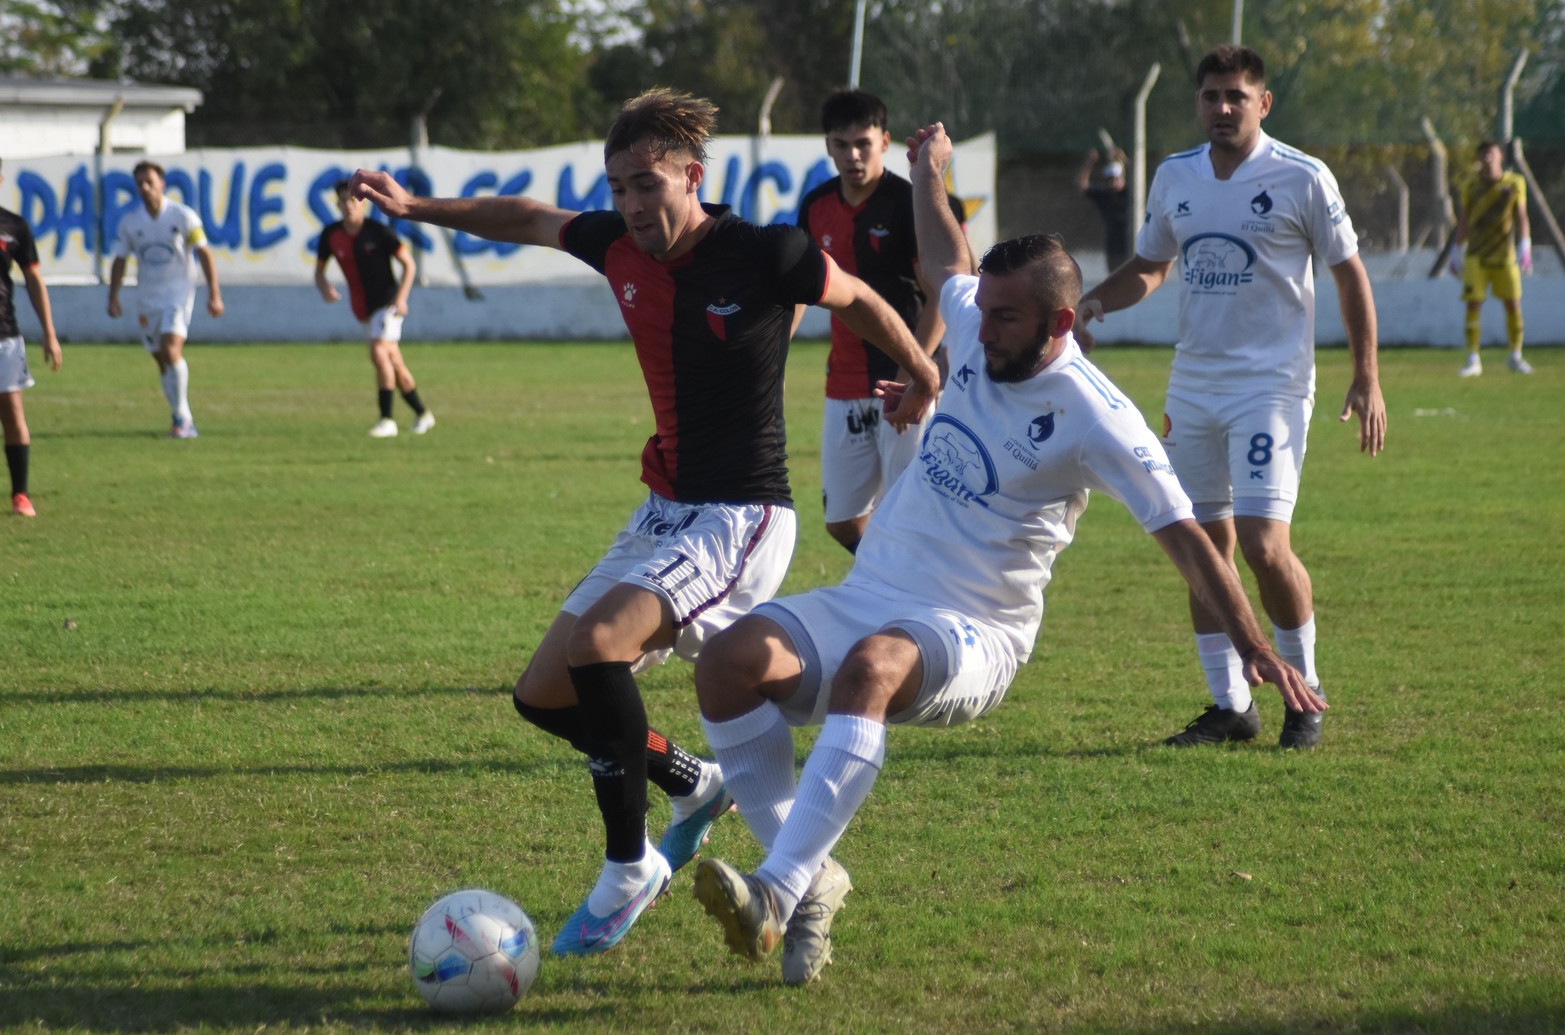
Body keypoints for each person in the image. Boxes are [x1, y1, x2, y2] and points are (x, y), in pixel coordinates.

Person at [688, 120, 1321, 986]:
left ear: (1060, 321)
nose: (977, 333)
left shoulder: (1097, 416)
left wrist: (1253, 644)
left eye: (1004, 318)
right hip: (873, 588)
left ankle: (777, 885)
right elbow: (945, 261)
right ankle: (810, 877)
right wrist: (926, 173)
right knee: (725, 662)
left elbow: (1188, 540)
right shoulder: (980, 314)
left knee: (869, 667)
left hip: (975, 630)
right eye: (981, 313)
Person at [349, 88, 940, 958]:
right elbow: (528, 217)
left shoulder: (764, 252)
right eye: (618, 187)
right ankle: (692, 786)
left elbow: (856, 300)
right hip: (665, 508)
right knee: (543, 694)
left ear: (690, 175)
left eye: (646, 185)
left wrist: (922, 371)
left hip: (741, 514)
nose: (630, 206)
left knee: (598, 647)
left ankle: (629, 867)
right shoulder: (617, 243)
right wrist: (418, 206)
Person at [1076, 44, 1386, 750]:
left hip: (1270, 387)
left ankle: (1303, 696)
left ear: (1262, 103)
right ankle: (1230, 706)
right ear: (1197, 103)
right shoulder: (1174, 176)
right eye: (1210, 96)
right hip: (1193, 384)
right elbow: (1152, 267)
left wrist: (1365, 374)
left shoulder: (1302, 178)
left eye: (1235, 97)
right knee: (1200, 545)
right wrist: (1095, 302)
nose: (1221, 108)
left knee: (1262, 544)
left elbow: (1348, 276)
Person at [795, 88, 967, 553]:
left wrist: (914, 371)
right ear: (828, 145)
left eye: (863, 143)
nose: (852, 155)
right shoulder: (814, 207)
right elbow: (798, 290)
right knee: (843, 520)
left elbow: (940, 295)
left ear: (885, 141)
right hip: (843, 383)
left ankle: (905, 603)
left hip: (903, 378)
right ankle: (887, 583)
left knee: (905, 515)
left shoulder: (908, 204)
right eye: (840, 144)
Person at [107, 160, 223, 439]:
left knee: (172, 350)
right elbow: (120, 260)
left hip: (178, 294)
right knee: (161, 360)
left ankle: (184, 417)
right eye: (140, 184)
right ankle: (178, 415)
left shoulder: (183, 216)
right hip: (148, 298)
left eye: (150, 182)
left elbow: (204, 253)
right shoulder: (130, 223)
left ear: (162, 184)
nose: (145, 188)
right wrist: (113, 296)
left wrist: (214, 294)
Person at [315, 180, 435, 437]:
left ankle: (387, 420)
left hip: (387, 303)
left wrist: (402, 298)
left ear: (362, 203)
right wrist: (325, 288)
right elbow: (319, 272)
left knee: (378, 353)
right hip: (362, 307)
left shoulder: (378, 232)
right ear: (337, 204)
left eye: (353, 200)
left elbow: (409, 264)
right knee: (393, 362)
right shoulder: (331, 235)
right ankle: (423, 413)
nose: (348, 205)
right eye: (343, 201)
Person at [2, 161, 63, 517]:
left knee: (12, 413)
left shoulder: (15, 226)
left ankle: (20, 494)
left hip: (4, 336)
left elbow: (34, 281)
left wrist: (50, 335)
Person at [1449, 140, 1533, 376]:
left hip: (1504, 255)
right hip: (1476, 255)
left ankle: (1516, 355)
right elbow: (1464, 220)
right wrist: (1457, 250)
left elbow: (1521, 216)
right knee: (1473, 303)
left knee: (1513, 303)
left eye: (1491, 153)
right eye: (1483, 153)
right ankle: (1473, 358)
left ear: (1500, 157)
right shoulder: (1470, 185)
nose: (1488, 157)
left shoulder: (1514, 183)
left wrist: (1525, 244)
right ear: (1478, 158)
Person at [1076, 147, 1131, 271]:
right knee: (1115, 278)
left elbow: (1139, 177)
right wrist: (1089, 162)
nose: (1112, 182)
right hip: (1114, 248)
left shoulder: (1131, 192)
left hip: (1134, 245)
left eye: (1115, 178)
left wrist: (1124, 159)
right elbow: (1083, 185)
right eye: (1109, 180)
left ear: (1122, 179)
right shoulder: (1103, 195)